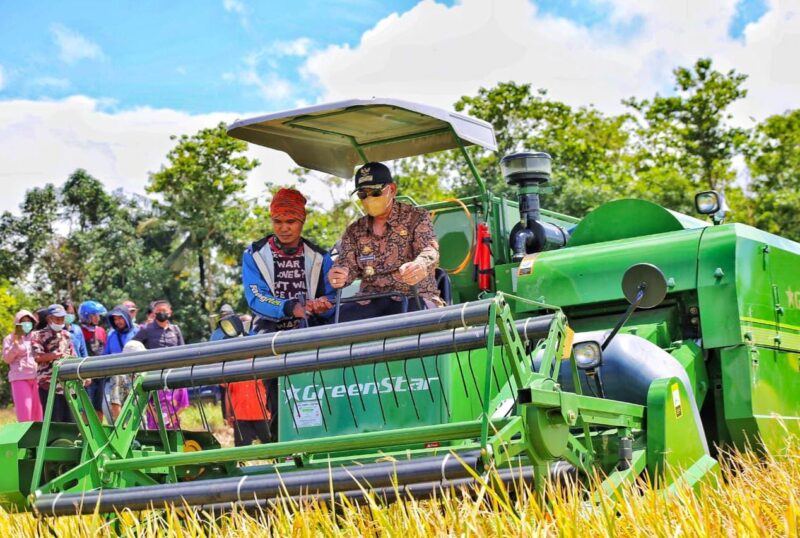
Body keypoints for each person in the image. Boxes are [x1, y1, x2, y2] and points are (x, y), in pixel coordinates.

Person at [241, 188, 336, 442]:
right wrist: (289, 307)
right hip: (270, 338)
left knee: (318, 396)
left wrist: (323, 306)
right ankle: (282, 453)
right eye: (278, 221)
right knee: (278, 401)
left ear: (302, 220)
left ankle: (319, 448)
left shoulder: (320, 257)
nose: (284, 228)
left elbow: (333, 298)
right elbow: (255, 296)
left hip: (310, 336)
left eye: (291, 221)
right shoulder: (254, 254)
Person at [328, 162, 442, 321]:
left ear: (392, 190)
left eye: (375, 193)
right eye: (363, 195)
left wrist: (421, 264)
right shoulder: (354, 230)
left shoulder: (416, 218)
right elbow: (347, 264)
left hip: (413, 296)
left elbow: (430, 250)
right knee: (340, 321)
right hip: (370, 301)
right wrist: (339, 274)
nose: (369, 199)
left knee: (417, 320)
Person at [132, 300, 189, 429]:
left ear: (170, 312)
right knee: (154, 413)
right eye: (158, 311)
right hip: (154, 376)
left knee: (175, 413)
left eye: (164, 311)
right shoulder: (146, 330)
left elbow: (183, 350)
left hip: (173, 377)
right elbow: (133, 346)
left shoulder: (175, 329)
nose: (161, 313)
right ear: (154, 313)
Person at [31, 304, 77, 423]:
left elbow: (73, 356)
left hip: (67, 385)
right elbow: (38, 357)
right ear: (49, 319)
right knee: (54, 421)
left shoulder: (66, 335)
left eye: (62, 319)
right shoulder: (38, 335)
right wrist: (55, 355)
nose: (60, 321)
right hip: (48, 385)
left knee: (71, 421)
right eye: (57, 319)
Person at [3, 310, 42, 422]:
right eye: (23, 321)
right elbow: (6, 359)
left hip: (37, 377)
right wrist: (15, 344)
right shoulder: (9, 339)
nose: (26, 324)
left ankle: (39, 433)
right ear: (17, 323)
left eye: (28, 321)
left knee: (39, 412)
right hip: (20, 378)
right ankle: (26, 433)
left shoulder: (36, 336)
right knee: (25, 411)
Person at [79, 300, 108, 421]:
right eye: (94, 315)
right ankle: (86, 429)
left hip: (100, 372)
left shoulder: (101, 330)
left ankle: (99, 428)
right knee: (87, 405)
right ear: (86, 316)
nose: (98, 318)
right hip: (87, 373)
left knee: (99, 404)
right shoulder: (79, 331)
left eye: (98, 315)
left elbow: (105, 349)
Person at [108, 339, 145, 420]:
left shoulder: (140, 373)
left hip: (140, 420)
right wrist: (123, 425)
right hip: (127, 422)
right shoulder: (118, 375)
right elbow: (115, 403)